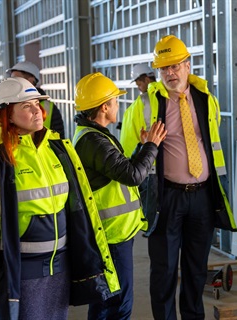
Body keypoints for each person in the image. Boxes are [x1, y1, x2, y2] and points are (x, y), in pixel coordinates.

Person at [0, 77, 121, 320]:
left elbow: (80, 205)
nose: (38, 111)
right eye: (27, 106)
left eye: (37, 103)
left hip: (60, 266)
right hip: (24, 273)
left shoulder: (56, 149)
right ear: (6, 114)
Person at [120, 35, 237, 320]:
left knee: (197, 268)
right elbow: (126, 152)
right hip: (166, 198)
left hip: (202, 196)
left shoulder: (206, 99)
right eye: (163, 68)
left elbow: (208, 141)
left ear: (187, 65)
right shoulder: (145, 105)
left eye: (174, 66)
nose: (169, 73)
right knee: (164, 269)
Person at [72, 72, 167, 320]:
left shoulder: (93, 135)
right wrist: (152, 145)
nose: (117, 105)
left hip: (114, 234)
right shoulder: (93, 140)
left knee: (108, 301)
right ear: (104, 107)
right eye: (115, 101)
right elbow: (133, 175)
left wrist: (140, 147)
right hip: (112, 235)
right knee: (116, 305)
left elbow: (117, 168)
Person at [6, 60, 66, 138]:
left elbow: (58, 139)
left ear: (31, 81)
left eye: (16, 79)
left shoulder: (48, 107)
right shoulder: (4, 103)